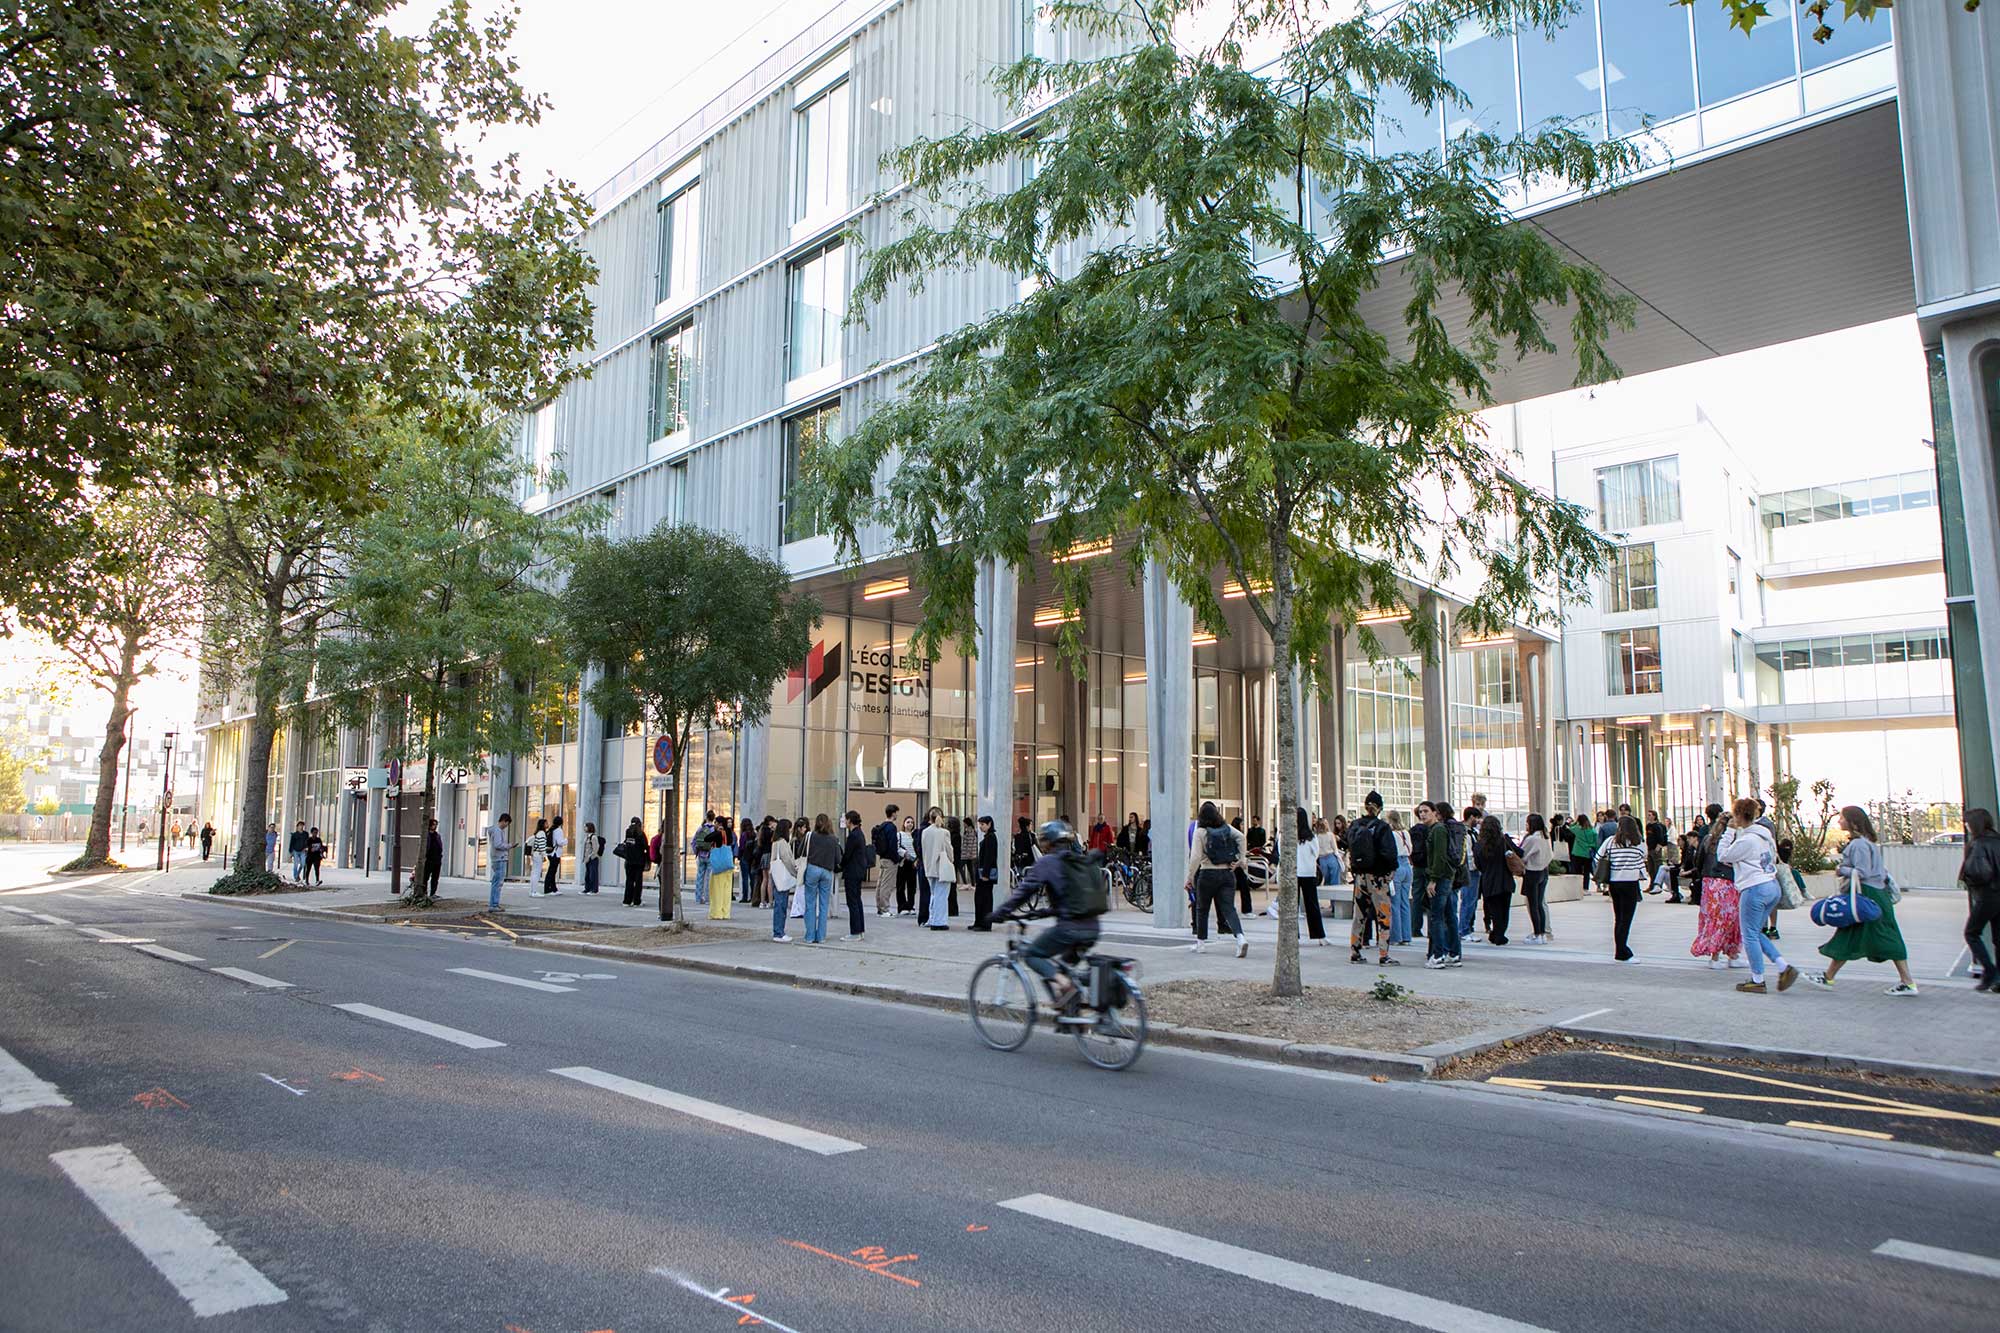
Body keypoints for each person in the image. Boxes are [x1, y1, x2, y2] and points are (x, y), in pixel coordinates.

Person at [989, 820, 1107, 1007]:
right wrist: (1041, 912)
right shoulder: (1078, 861)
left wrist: (1000, 912)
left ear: (1048, 842)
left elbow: (1024, 892)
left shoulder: (1048, 862)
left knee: (1032, 955)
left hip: (1069, 930)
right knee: (1064, 967)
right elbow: (1070, 900)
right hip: (1093, 928)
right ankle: (1075, 1017)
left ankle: (1066, 986)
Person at [1804, 807, 1917, 995]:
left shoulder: (1858, 845)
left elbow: (1862, 872)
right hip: (1877, 893)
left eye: (1842, 818)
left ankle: (1828, 977)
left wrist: (1841, 870)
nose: (1839, 821)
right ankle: (1907, 981)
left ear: (1852, 822)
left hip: (1866, 894)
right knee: (1878, 934)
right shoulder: (1868, 843)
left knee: (1854, 933)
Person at [1717, 797, 1797, 994]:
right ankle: (1782, 966)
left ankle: (1758, 979)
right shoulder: (1764, 835)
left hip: (1754, 887)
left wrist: (1729, 830)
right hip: (1771, 885)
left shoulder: (1747, 840)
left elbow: (1722, 855)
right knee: (1756, 932)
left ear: (1738, 816)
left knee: (1749, 934)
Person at [1183, 801, 1248, 956]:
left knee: (1202, 908)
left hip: (1207, 874)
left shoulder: (1200, 832)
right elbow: (1242, 838)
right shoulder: (1226, 829)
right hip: (1227, 873)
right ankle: (1240, 938)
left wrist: (1190, 877)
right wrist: (1241, 860)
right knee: (1229, 908)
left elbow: (1195, 857)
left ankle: (1201, 943)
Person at [1346, 792, 1398, 967]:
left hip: (1360, 876)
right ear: (1380, 807)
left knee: (1359, 915)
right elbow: (1389, 853)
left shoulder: (1355, 825)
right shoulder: (1382, 827)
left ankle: (1355, 950)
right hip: (1378, 877)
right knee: (1383, 915)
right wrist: (1390, 870)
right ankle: (1384, 954)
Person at [1690, 803, 1742, 969]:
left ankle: (1716, 956)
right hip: (1728, 882)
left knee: (1712, 919)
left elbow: (1698, 861)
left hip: (1709, 882)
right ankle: (1730, 955)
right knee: (1731, 920)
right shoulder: (1734, 840)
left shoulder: (1708, 839)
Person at [1590, 815, 1647, 962]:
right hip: (1630, 882)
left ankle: (1620, 949)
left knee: (1618, 918)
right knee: (1626, 919)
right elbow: (1643, 857)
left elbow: (1597, 858)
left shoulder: (1610, 841)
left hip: (1615, 882)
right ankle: (1622, 951)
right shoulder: (1638, 842)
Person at [1958, 808, 2000, 992]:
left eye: (1967, 823)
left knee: (1971, 933)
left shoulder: (1978, 844)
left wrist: (1966, 878)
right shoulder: (1997, 840)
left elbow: (1977, 872)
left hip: (1987, 895)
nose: (1966, 826)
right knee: (1998, 938)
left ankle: (1989, 972)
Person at [1422, 801, 1465, 968]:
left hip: (1441, 879)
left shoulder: (1438, 830)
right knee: (1449, 916)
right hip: (1446, 878)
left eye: (1426, 811)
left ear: (1435, 813)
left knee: (1437, 917)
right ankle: (1453, 954)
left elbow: (1439, 856)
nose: (1423, 815)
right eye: (1420, 812)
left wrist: (1433, 879)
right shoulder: (1438, 829)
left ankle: (1438, 955)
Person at [1474, 815, 1516, 946]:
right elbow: (1518, 852)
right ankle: (1500, 934)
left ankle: (1496, 934)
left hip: (1488, 881)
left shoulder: (1478, 845)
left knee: (1494, 910)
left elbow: (1478, 864)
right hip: (1505, 879)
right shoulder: (1504, 841)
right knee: (1504, 909)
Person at [802, 813, 840, 943]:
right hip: (827, 871)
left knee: (810, 903)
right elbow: (838, 859)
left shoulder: (810, 836)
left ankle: (810, 936)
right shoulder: (833, 839)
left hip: (812, 869)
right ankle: (821, 936)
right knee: (824, 905)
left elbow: (801, 852)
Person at [1293, 807, 1328, 945]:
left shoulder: (1286, 835)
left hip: (1293, 873)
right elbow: (1316, 853)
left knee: (1291, 907)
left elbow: (1280, 853)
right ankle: (1319, 935)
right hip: (1308, 872)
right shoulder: (1311, 837)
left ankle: (1293, 936)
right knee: (1312, 905)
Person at [1519, 813, 1553, 944]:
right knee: (1539, 904)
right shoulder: (1545, 837)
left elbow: (1523, 854)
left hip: (1532, 872)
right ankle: (1542, 933)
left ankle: (1537, 933)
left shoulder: (1532, 839)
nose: (1526, 825)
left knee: (1533, 905)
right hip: (1543, 871)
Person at [921, 807, 956, 931]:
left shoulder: (925, 832)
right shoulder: (944, 832)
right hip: (942, 866)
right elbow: (949, 850)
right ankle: (939, 921)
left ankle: (932, 918)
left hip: (930, 866)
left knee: (934, 894)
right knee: (942, 895)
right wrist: (952, 860)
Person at [838, 810, 870, 940]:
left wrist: (840, 865)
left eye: (846, 820)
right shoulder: (860, 834)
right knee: (857, 901)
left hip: (852, 872)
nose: (845, 822)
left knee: (852, 902)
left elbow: (847, 855)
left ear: (850, 821)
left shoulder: (853, 836)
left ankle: (855, 932)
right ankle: (860, 930)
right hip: (858, 871)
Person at [768, 817, 799, 940]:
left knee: (779, 904)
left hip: (776, 875)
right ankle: (779, 932)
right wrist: (794, 872)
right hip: (782, 876)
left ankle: (778, 931)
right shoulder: (782, 843)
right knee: (781, 904)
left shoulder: (775, 842)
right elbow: (787, 860)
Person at [1387, 810, 1413, 945]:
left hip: (1397, 865)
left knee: (1394, 903)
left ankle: (1396, 937)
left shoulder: (1392, 834)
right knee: (1405, 902)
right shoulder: (1406, 833)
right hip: (1407, 865)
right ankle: (1407, 936)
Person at [971, 815, 1001, 930]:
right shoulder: (987, 837)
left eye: (983, 824)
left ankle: (985, 924)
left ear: (989, 824)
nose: (980, 827)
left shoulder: (991, 837)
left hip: (985, 874)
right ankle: (978, 922)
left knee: (985, 899)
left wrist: (985, 874)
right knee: (979, 898)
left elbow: (990, 857)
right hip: (982, 872)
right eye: (979, 824)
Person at [872, 804, 902, 918]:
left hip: (883, 858)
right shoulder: (891, 827)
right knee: (887, 885)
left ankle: (880, 908)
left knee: (880, 884)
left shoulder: (882, 826)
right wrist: (897, 859)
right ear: (893, 813)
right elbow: (893, 845)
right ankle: (885, 909)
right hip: (890, 860)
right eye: (896, 813)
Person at [1405, 807, 1429, 942]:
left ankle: (1415, 928)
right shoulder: (1430, 829)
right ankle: (1431, 930)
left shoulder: (1412, 830)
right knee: (1431, 897)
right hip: (1428, 865)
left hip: (1417, 866)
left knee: (1417, 897)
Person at [613, 817, 648, 906]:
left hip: (629, 861)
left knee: (629, 880)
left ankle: (627, 900)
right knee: (638, 882)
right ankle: (636, 901)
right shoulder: (641, 834)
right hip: (639, 861)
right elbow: (645, 846)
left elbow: (627, 844)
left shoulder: (628, 832)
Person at [485, 812, 513, 911]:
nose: (507, 826)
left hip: (496, 858)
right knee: (498, 883)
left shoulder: (495, 830)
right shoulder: (498, 831)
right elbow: (498, 844)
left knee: (496, 882)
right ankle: (494, 904)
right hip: (500, 858)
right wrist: (509, 846)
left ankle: (494, 903)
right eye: (507, 823)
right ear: (504, 821)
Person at [897, 814, 920, 916]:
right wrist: (904, 853)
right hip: (903, 862)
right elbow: (897, 847)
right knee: (901, 885)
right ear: (904, 823)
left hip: (913, 862)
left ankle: (910, 905)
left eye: (912, 822)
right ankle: (902, 906)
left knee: (912, 886)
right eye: (908, 822)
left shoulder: (915, 835)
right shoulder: (899, 835)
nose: (910, 824)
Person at [1568, 814, 1598, 879]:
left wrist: (1575, 822)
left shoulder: (1577, 829)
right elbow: (1596, 842)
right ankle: (1586, 887)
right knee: (1587, 871)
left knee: (1577, 871)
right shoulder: (1592, 830)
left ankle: (1578, 886)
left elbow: (1570, 827)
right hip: (1588, 853)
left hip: (1577, 852)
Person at [575, 821, 602, 894]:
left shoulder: (593, 837)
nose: (584, 828)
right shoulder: (587, 837)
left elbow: (596, 848)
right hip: (587, 859)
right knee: (587, 874)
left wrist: (591, 857)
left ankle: (594, 890)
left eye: (585, 827)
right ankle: (587, 888)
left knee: (593, 874)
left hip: (592, 859)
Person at [541, 816, 565, 894]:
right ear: (561, 823)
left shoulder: (551, 830)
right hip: (556, 853)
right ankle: (549, 888)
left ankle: (552, 888)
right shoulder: (559, 830)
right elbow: (560, 842)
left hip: (550, 852)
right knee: (552, 871)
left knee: (551, 871)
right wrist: (566, 841)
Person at [419, 819, 442, 897]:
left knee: (435, 878)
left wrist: (440, 856)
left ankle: (433, 893)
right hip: (429, 860)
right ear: (430, 825)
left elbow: (440, 847)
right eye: (433, 824)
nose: (435, 826)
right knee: (425, 877)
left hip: (437, 860)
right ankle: (424, 893)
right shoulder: (426, 835)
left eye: (436, 825)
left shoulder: (437, 835)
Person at [525, 817, 548, 890]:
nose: (548, 824)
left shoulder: (538, 832)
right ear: (543, 824)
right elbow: (541, 847)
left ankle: (532, 891)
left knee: (534, 872)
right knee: (536, 873)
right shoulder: (542, 833)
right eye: (546, 823)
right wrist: (544, 856)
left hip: (535, 854)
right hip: (538, 855)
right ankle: (534, 891)